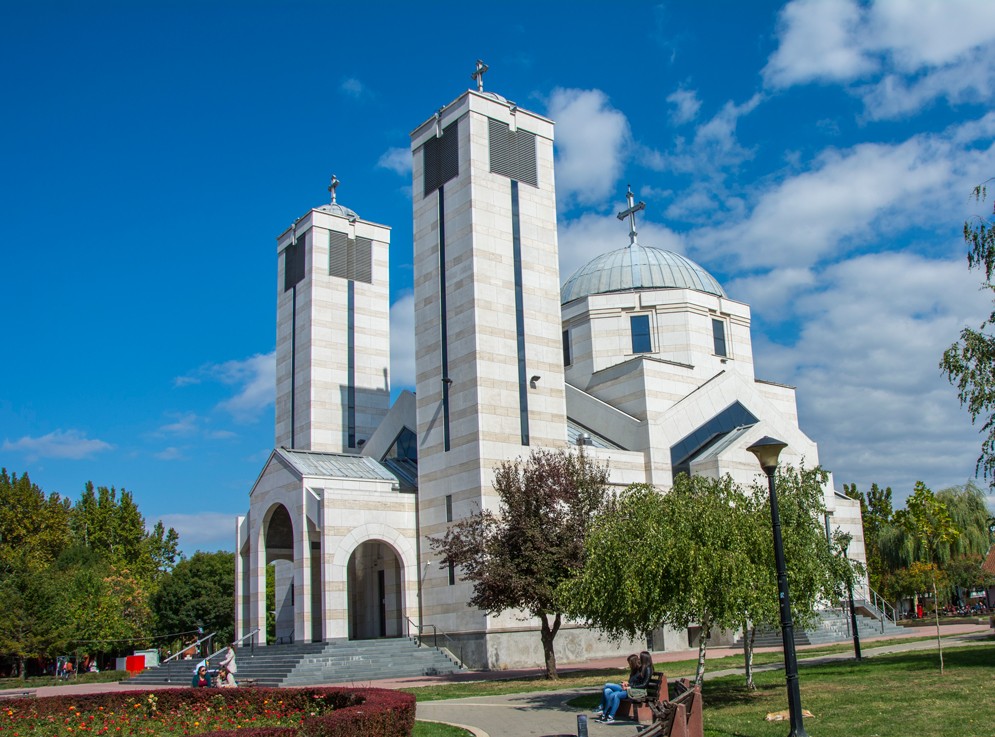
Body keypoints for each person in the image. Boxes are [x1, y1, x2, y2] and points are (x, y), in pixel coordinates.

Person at [597, 651, 653, 724]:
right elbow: (636, 681)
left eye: (641, 657)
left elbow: (644, 685)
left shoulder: (647, 669)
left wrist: (629, 686)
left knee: (614, 693)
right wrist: (628, 684)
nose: (639, 659)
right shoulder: (641, 668)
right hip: (633, 689)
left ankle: (609, 715)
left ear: (644, 658)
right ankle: (604, 715)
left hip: (638, 691)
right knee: (609, 692)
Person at [593, 654, 640, 724]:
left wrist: (628, 686)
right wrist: (626, 682)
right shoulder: (633, 671)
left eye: (629, 663)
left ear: (633, 662)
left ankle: (603, 709)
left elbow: (637, 684)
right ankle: (604, 714)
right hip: (626, 687)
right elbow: (631, 682)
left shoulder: (639, 671)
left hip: (629, 690)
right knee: (607, 691)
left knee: (607, 686)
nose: (629, 664)